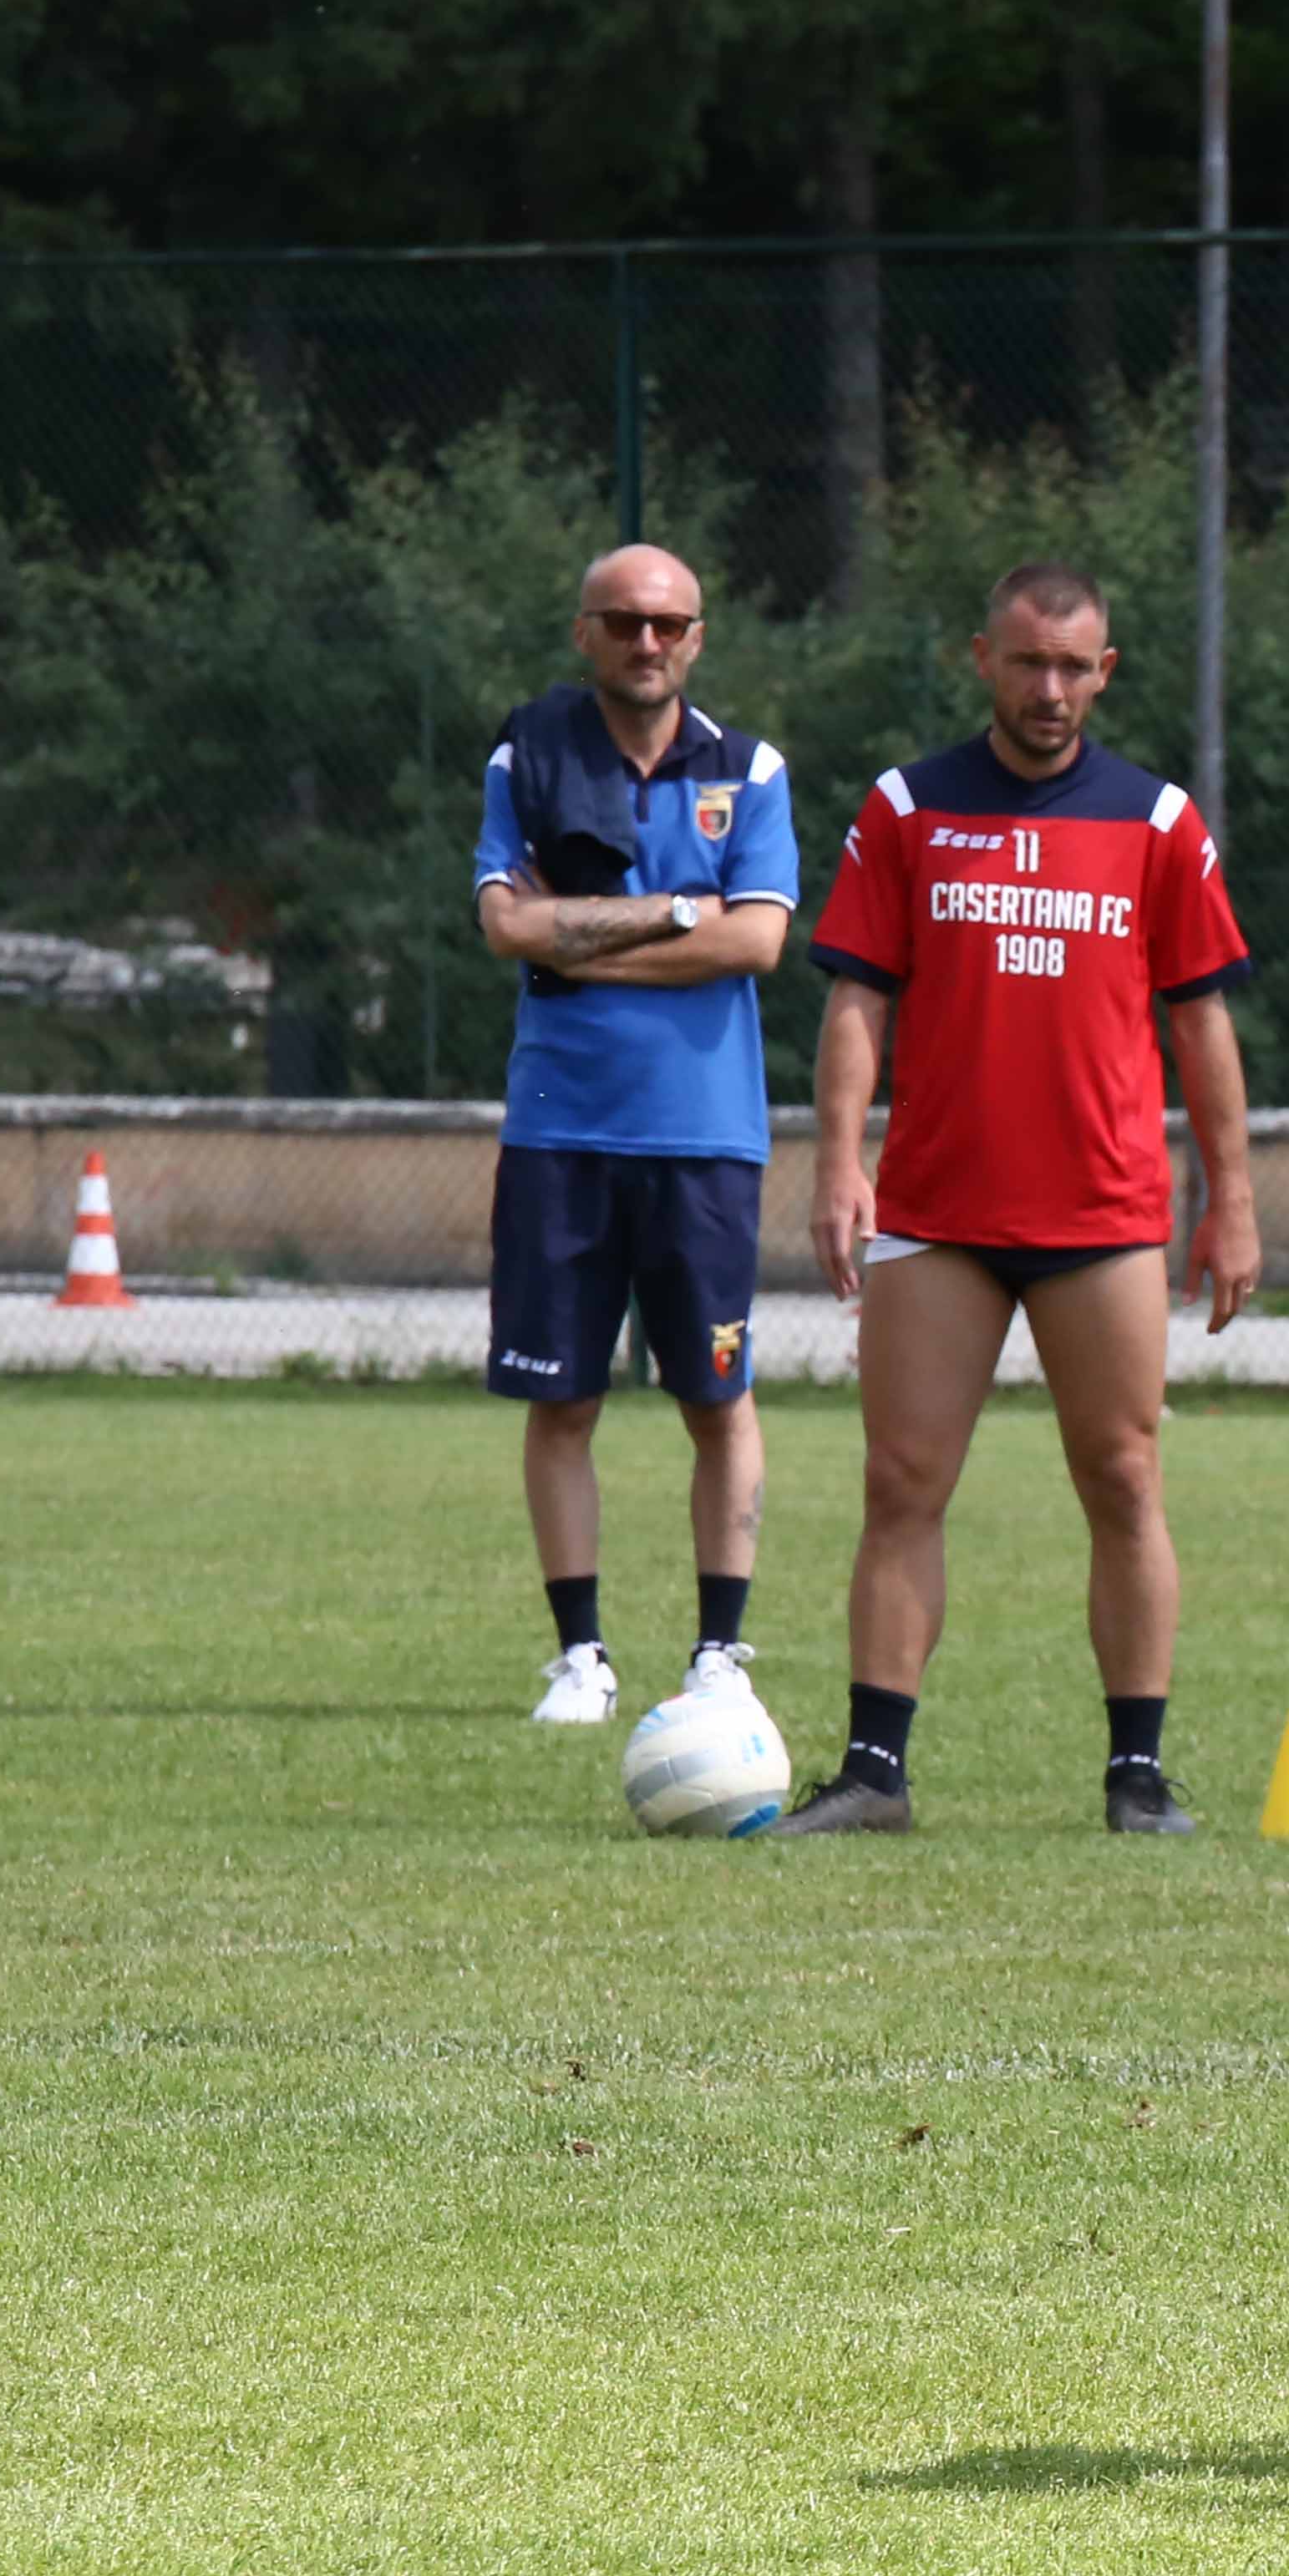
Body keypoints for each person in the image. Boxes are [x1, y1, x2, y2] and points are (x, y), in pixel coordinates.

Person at [767, 561, 1260, 1837]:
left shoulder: (1158, 821)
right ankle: (874, 1774)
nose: (1050, 688)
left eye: (1074, 666)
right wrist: (838, 1163)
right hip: (939, 1213)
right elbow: (858, 1001)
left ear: (1106, 673)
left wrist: (1234, 1200)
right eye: (1029, 661)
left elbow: (1201, 1024)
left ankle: (1136, 1778)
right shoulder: (908, 807)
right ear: (983, 658)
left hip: (1103, 1215)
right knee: (902, 1482)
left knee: (1125, 1477)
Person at [471, 544, 799, 1727]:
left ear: (697, 638)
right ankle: (582, 1658)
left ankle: (718, 1655)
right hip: (561, 1131)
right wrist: (674, 913)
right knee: (562, 1403)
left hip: (705, 1138)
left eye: (667, 624)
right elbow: (509, 929)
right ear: (585, 633)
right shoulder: (530, 755)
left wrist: (584, 937)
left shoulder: (750, 769)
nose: (645, 642)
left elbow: (756, 942)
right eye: (622, 622)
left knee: (718, 1400)